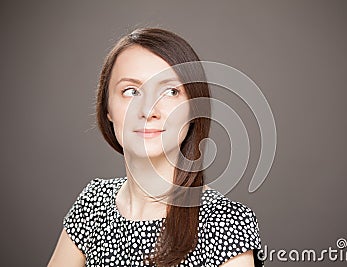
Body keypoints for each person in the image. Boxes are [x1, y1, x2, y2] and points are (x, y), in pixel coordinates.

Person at [48, 27, 264, 267]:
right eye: (131, 91)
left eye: (170, 91)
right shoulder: (92, 203)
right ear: (107, 108)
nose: (149, 109)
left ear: (194, 108)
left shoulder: (227, 224)